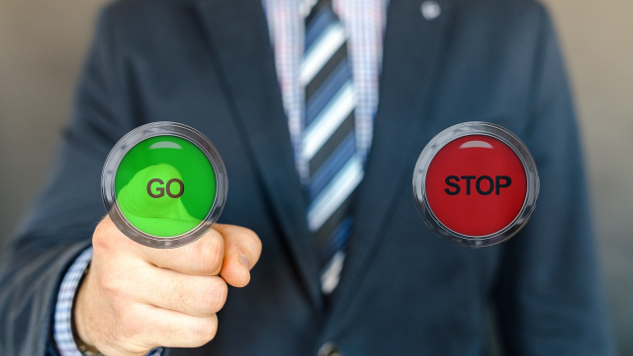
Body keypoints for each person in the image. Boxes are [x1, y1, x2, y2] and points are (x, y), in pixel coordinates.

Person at [0, 0, 615, 355]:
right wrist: (96, 311)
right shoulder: (142, 26)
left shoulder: (509, 25)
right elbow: (25, 288)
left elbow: (560, 309)